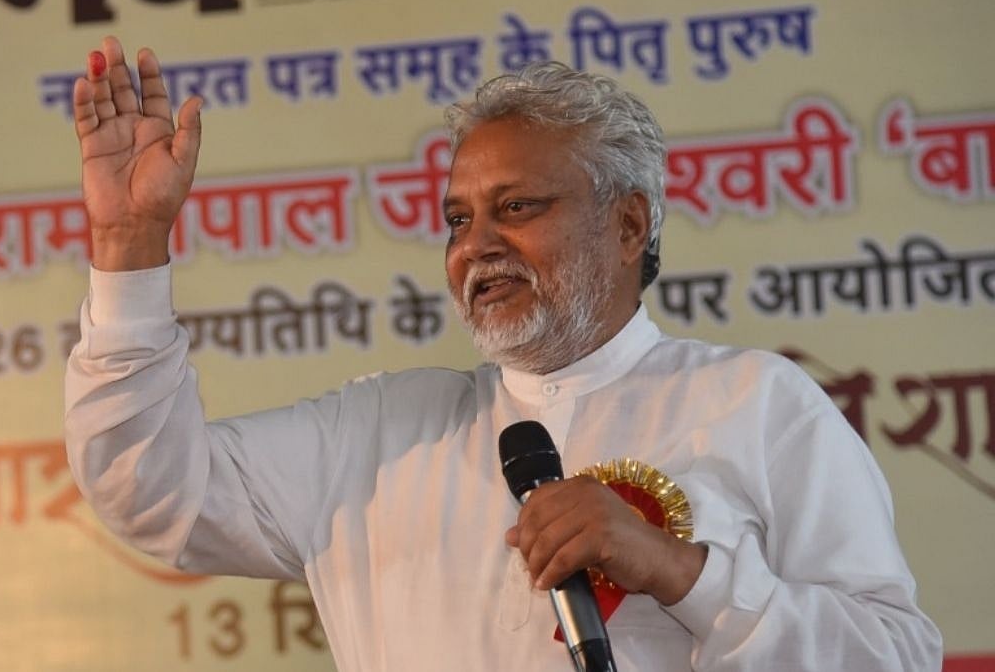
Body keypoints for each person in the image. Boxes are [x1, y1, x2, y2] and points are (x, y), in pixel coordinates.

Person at [64, 36, 942, 671]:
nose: (475, 246)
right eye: (458, 218)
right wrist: (130, 242)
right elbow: (153, 489)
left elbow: (896, 654)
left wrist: (683, 572)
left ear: (627, 225)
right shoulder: (376, 434)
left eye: (517, 208)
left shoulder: (757, 402)